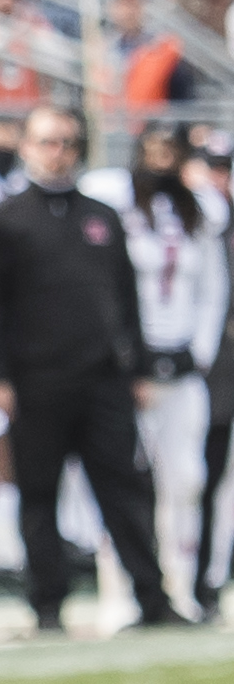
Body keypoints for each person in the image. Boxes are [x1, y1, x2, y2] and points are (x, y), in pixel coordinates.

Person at [0, 106, 178, 635]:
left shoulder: (101, 217)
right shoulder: (5, 221)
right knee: (39, 495)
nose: (56, 151)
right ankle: (47, 604)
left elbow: (126, 298)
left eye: (65, 142)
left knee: (125, 491)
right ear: (26, 146)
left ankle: (152, 598)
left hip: (103, 378)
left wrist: (138, 367)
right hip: (36, 382)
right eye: (45, 141)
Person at [80, 124, 228, 621]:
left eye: (171, 152)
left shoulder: (197, 212)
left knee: (184, 479)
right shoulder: (116, 205)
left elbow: (212, 288)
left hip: (180, 363)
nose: (162, 161)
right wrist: (126, 356)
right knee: (124, 480)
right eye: (154, 152)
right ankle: (122, 591)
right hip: (130, 367)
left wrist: (198, 353)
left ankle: (178, 589)